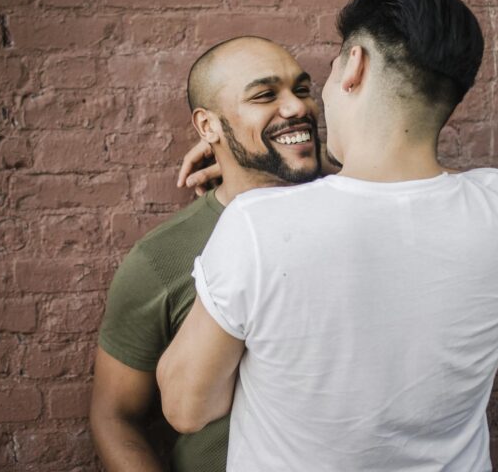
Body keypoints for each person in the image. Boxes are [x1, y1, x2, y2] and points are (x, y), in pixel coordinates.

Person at [157, 0, 498, 472]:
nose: (317, 102)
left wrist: (237, 153)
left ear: (354, 65)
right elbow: (382, 201)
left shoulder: (257, 225)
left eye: (326, 74)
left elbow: (187, 408)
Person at [90, 36, 325, 471]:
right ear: (207, 126)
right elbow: (114, 415)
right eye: (265, 96)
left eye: (303, 89)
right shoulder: (161, 258)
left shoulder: (360, 208)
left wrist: (282, 150)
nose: (297, 107)